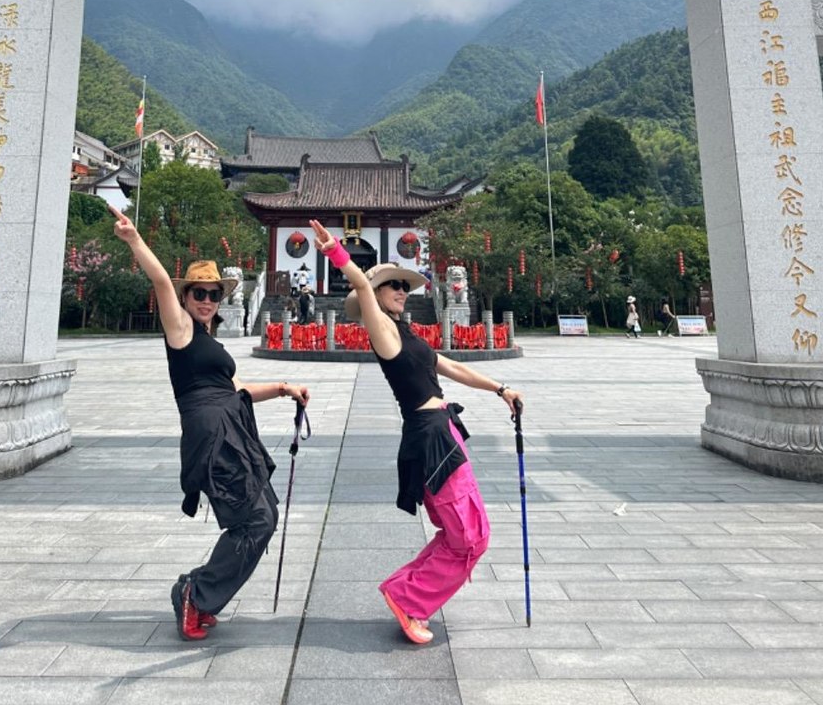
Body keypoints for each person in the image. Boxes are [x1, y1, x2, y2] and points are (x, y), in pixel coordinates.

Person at [309, 217, 521, 647]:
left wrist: (501, 389)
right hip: (430, 438)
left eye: (404, 285)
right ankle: (409, 599)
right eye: (393, 285)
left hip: (444, 432)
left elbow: (453, 367)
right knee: (468, 537)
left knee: (464, 533)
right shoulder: (383, 333)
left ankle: (405, 590)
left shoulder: (408, 336)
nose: (402, 291)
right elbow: (361, 284)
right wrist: (334, 250)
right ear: (375, 295)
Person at [109, 204, 309, 641]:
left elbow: (238, 388)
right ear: (185, 298)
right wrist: (135, 239)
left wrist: (283, 387)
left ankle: (195, 590)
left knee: (264, 514)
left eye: (213, 294)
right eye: (198, 292)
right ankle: (197, 595)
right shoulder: (180, 330)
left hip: (234, 429)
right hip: (213, 435)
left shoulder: (208, 342)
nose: (206, 300)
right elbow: (161, 281)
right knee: (254, 520)